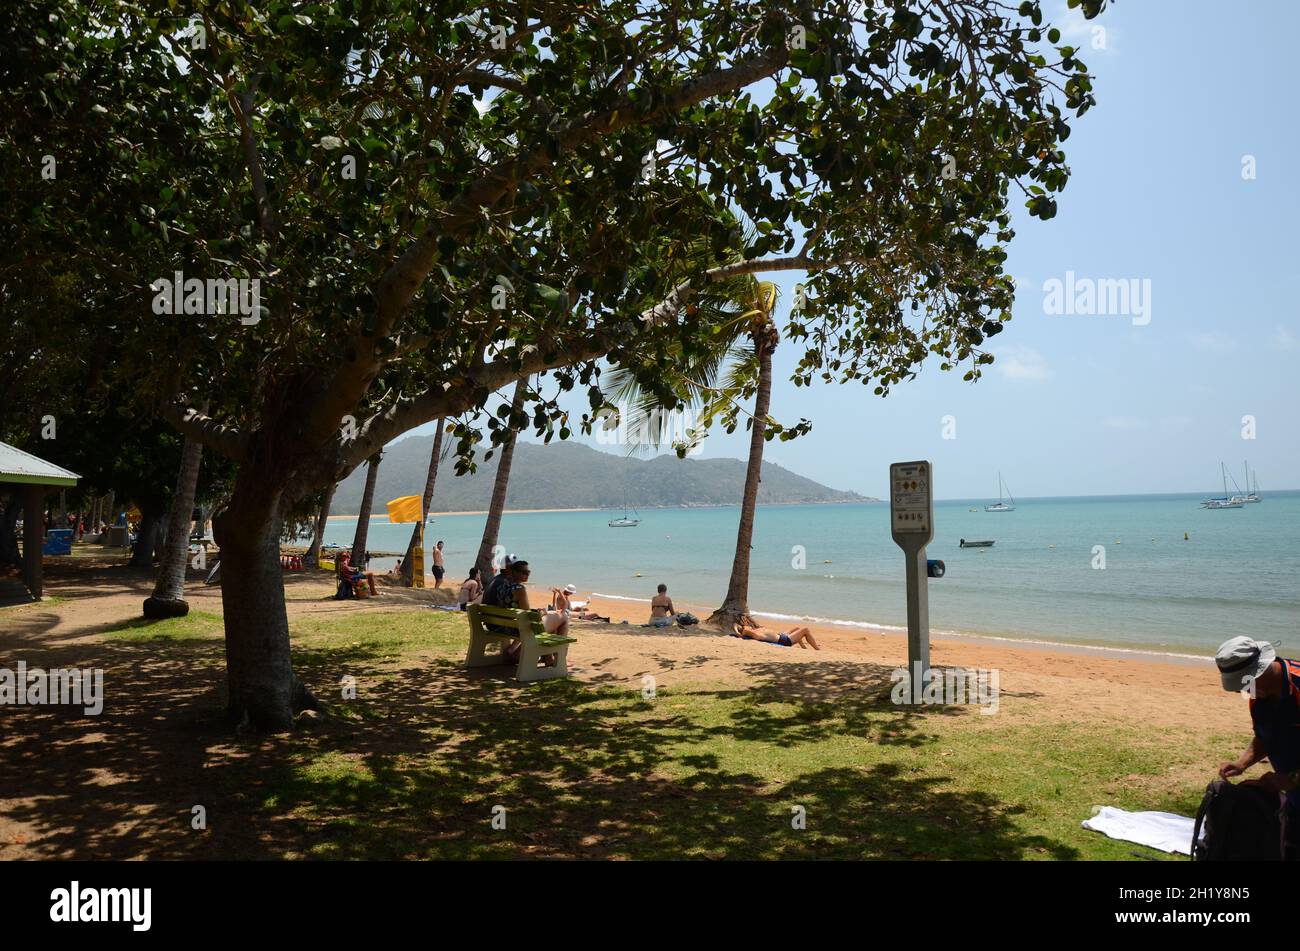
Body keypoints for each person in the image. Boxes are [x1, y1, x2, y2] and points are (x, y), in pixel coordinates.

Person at [1215, 636, 1300, 859]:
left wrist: (1290, 778)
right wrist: (1242, 763)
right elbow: (1266, 736)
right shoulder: (1257, 694)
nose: (1239, 692)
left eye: (1241, 684)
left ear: (1259, 671)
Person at [482, 559, 534, 663]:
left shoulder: (503, 585)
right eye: (524, 572)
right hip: (510, 628)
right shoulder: (520, 589)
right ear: (514, 572)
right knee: (556, 620)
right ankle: (516, 654)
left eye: (528, 572)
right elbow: (527, 614)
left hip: (499, 624)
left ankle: (548, 658)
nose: (527, 575)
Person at [732, 620, 820, 650]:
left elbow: (735, 624)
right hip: (784, 640)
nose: (748, 625)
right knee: (805, 630)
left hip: (781, 635)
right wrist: (739, 632)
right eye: (745, 626)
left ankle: (804, 648)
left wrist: (740, 629)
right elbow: (736, 626)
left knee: (797, 628)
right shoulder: (754, 633)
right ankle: (817, 649)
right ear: (745, 629)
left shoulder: (754, 630)